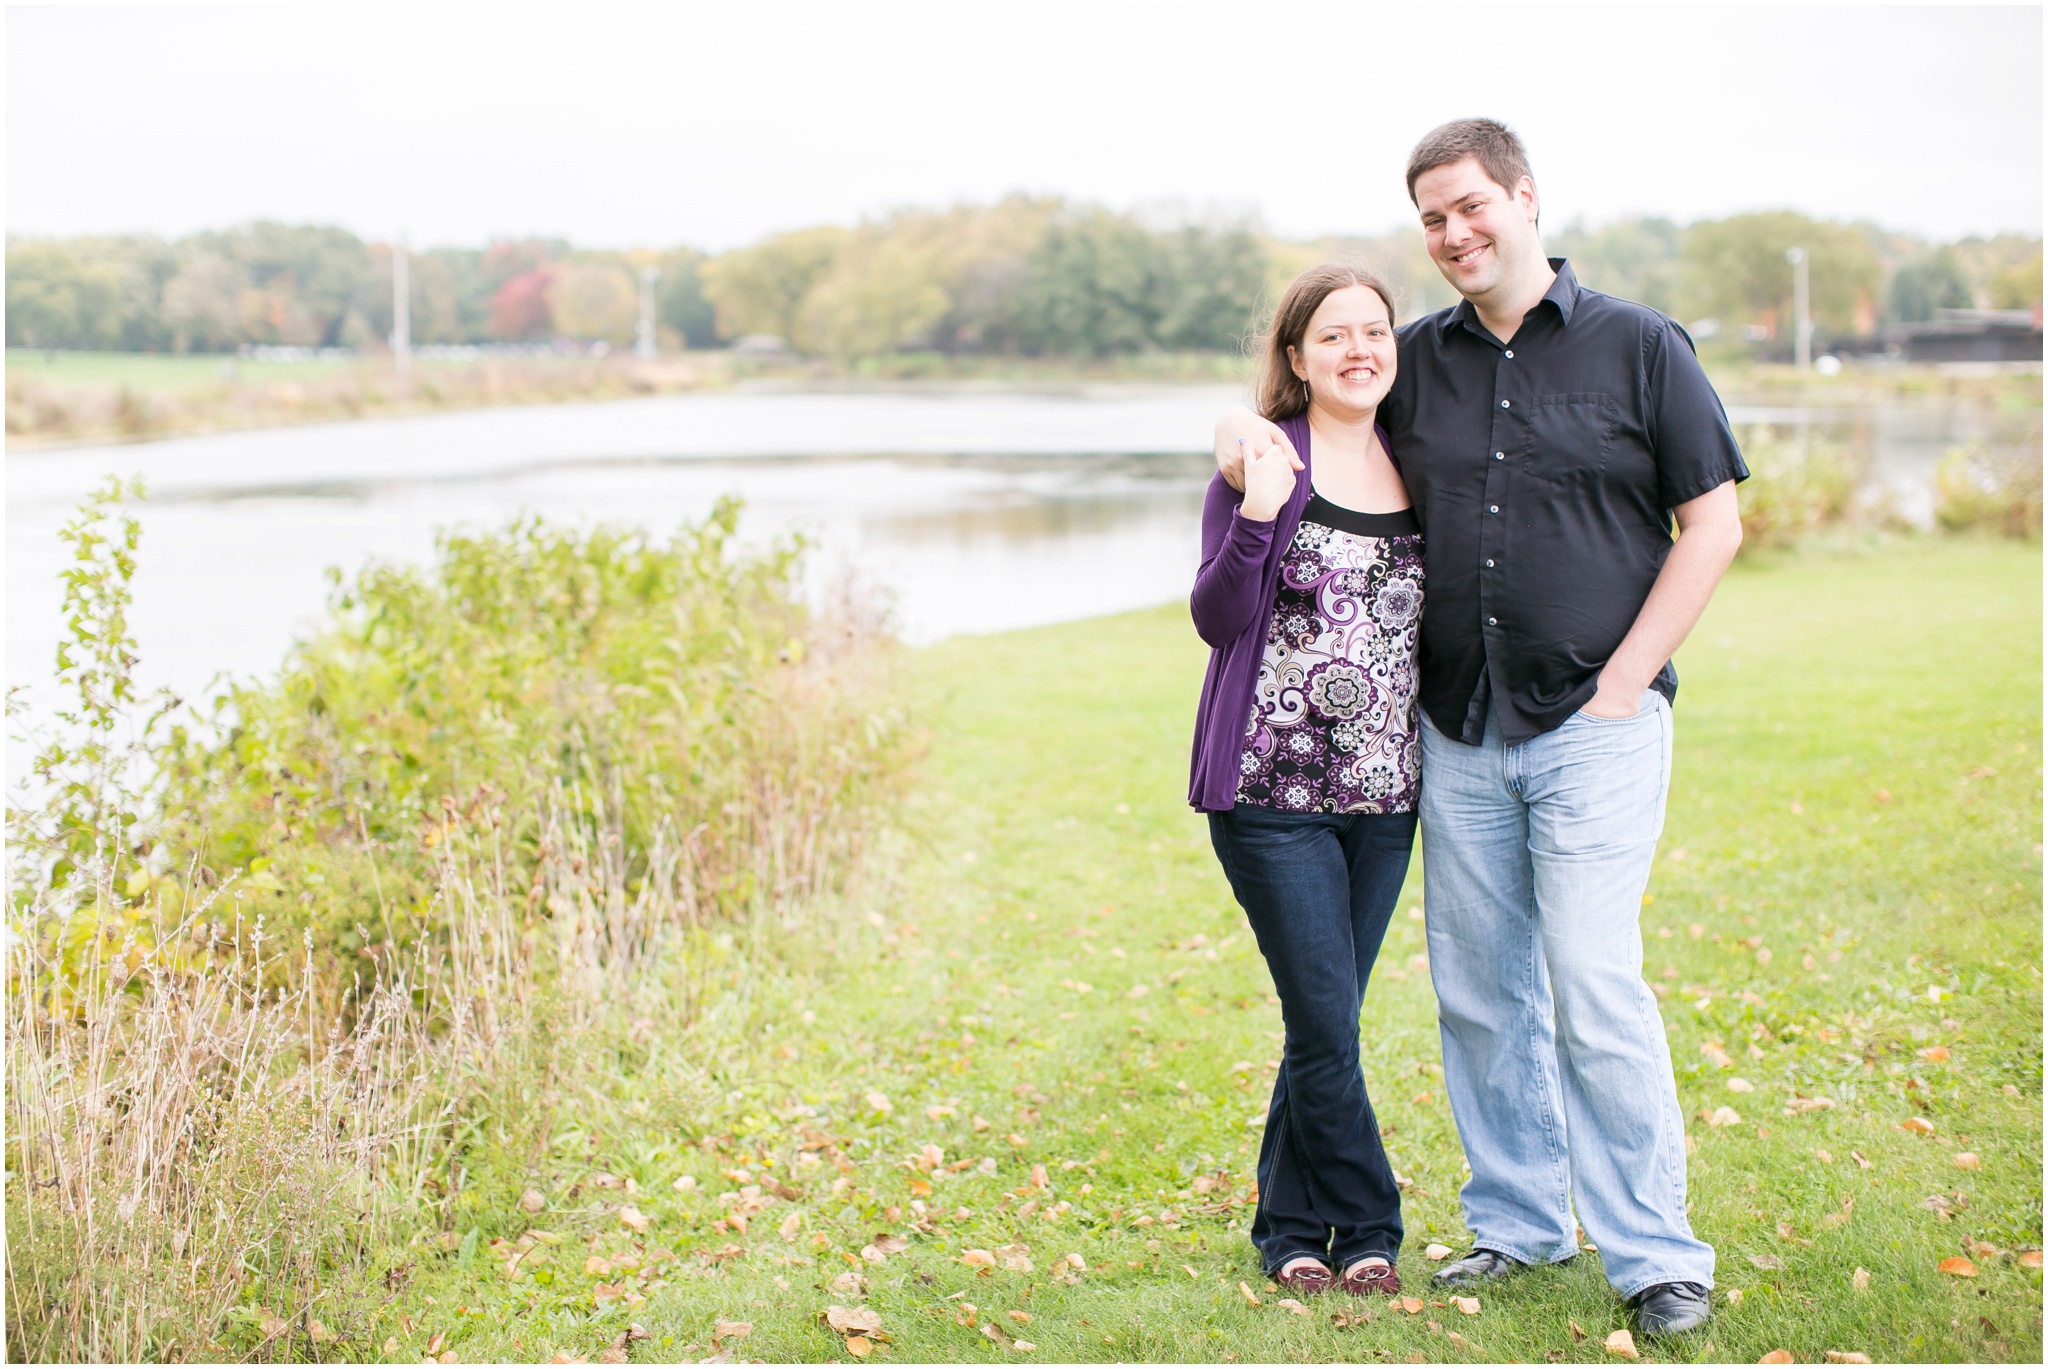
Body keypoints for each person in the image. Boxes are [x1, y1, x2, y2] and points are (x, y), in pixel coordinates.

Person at [1210, 118, 1747, 1338]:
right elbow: (1299, 410)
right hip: (1449, 732)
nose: (1453, 234)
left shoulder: (1638, 346)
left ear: (1523, 198)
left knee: (1592, 985)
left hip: (1591, 727)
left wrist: (1626, 679)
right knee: (1478, 994)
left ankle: (1653, 1251)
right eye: (1432, 220)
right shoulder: (1411, 360)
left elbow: (1708, 522)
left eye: (1469, 207)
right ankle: (1514, 1221)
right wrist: (1234, 438)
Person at [1188, 263, 1421, 1299]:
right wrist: (1256, 510)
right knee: (1326, 1020)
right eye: (1332, 335)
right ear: (1294, 355)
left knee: (1319, 1022)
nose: (1357, 349)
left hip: (1384, 798)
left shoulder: (1422, 462)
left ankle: (1286, 1229)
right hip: (1267, 794)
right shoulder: (1261, 461)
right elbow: (1215, 618)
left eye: (1373, 330)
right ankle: (1367, 1221)